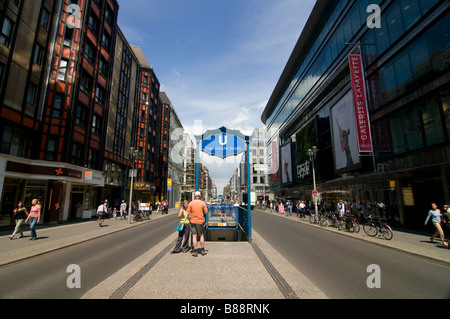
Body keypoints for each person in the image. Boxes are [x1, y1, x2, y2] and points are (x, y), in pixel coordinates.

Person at [187, 192, 208, 257]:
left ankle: (195, 250)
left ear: (195, 196)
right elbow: (206, 212)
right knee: (201, 235)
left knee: (194, 236)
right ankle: (202, 249)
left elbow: (188, 212)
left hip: (193, 221)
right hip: (200, 221)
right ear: (200, 196)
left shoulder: (191, 203)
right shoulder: (202, 203)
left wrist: (190, 217)